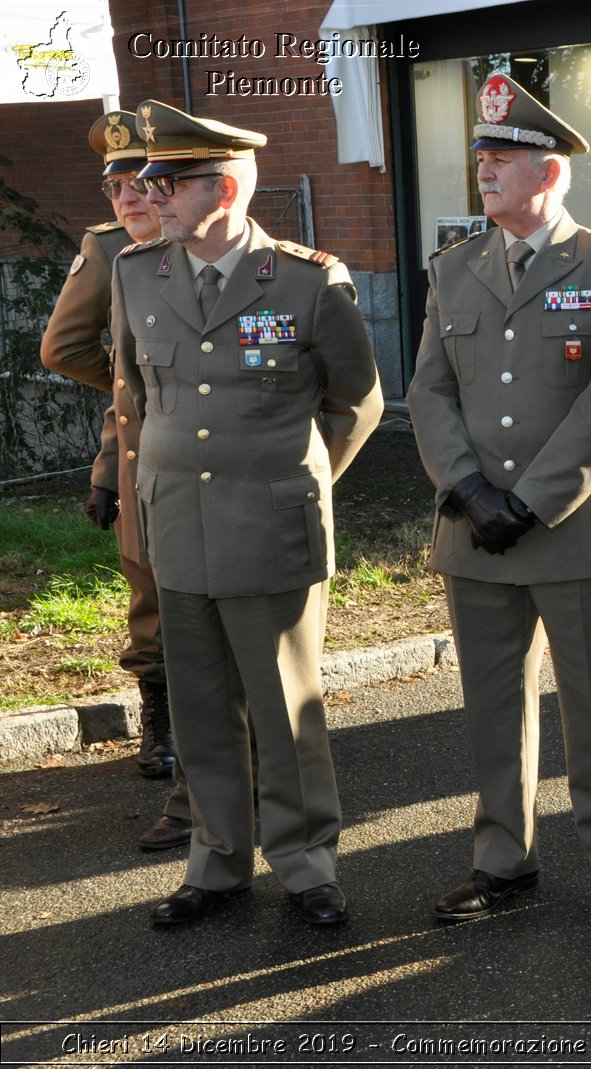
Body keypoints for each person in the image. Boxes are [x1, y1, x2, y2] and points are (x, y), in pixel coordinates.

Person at [111, 101, 383, 926]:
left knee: (284, 705)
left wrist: (293, 481)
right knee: (199, 708)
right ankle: (217, 861)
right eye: (147, 179)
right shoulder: (136, 272)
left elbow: (357, 401)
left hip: (270, 524)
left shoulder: (305, 280)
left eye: (168, 180)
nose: (147, 192)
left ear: (222, 189)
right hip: (177, 525)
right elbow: (134, 389)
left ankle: (306, 864)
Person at [408, 75, 591, 930]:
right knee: (492, 707)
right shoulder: (455, 267)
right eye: (481, 153)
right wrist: (470, 488)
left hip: (576, 524)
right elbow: (429, 392)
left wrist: (530, 500)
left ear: (549, 174)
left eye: (503, 155)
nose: (485, 166)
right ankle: (501, 862)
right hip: (477, 527)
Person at [38, 111, 193, 853]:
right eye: (114, 185)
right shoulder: (112, 254)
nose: (128, 198)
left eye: (141, 181)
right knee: (152, 593)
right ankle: (161, 724)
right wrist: (117, 441)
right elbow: (80, 354)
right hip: (147, 455)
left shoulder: (209, 248)